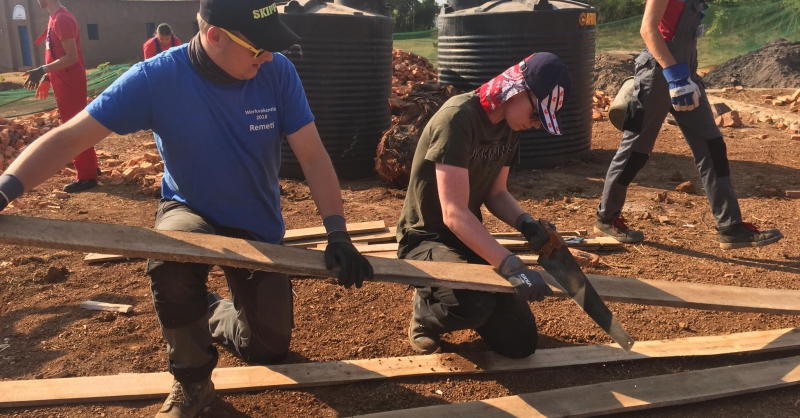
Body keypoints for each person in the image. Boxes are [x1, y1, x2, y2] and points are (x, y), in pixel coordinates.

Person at [0, 0, 374, 416]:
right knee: (172, 257)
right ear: (215, 36)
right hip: (190, 208)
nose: (268, 56)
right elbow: (70, 138)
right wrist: (5, 189)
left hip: (255, 220)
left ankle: (211, 310)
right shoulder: (156, 79)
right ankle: (192, 383)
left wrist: (338, 231)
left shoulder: (276, 72)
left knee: (268, 347)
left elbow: (313, 156)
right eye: (258, 48)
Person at [398, 53, 571, 358]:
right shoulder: (457, 118)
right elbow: (453, 213)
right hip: (425, 239)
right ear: (517, 89)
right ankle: (426, 313)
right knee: (474, 304)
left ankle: (464, 299)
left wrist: (527, 225)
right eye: (535, 115)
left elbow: (496, 193)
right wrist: (511, 265)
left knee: (520, 344)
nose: (534, 125)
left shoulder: (510, 126)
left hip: (467, 238)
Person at [594, 0, 783, 250]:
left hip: (686, 74)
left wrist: (684, 75)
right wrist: (674, 76)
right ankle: (606, 217)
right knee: (635, 152)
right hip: (659, 76)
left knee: (712, 146)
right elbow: (648, 29)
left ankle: (730, 227)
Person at [23, 0, 99, 193]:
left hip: (69, 82)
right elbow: (56, 53)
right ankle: (90, 166)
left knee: (74, 128)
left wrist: (43, 69)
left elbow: (71, 57)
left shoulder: (61, 19)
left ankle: (87, 176)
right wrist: (48, 76)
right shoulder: (55, 18)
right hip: (63, 80)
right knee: (76, 125)